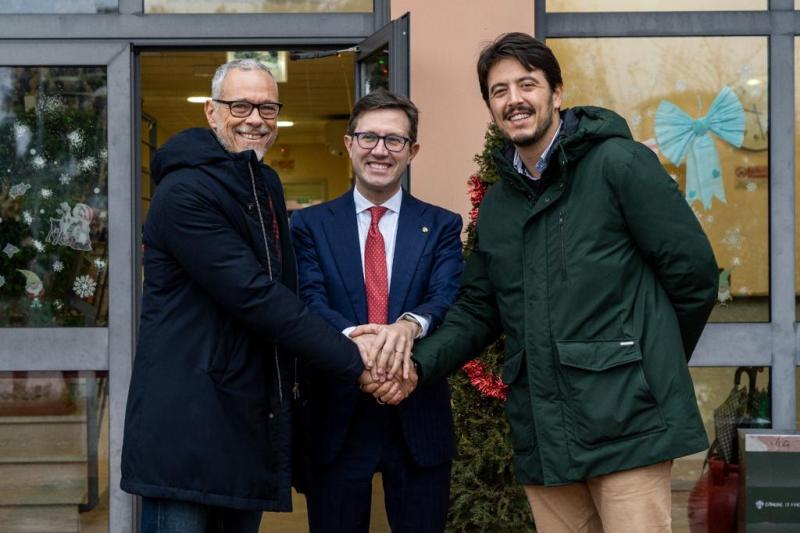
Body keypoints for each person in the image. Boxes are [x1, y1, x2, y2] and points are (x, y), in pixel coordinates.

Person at [405, 33, 719, 532]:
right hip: (545, 434)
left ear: (557, 92)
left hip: (629, 426)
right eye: (499, 91)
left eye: (526, 84)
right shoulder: (499, 204)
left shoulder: (619, 164)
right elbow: (479, 308)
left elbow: (694, 275)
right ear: (490, 106)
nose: (514, 99)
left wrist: (643, 366)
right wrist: (415, 364)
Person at [119, 59, 394, 533]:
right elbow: (256, 296)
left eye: (268, 108)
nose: (255, 119)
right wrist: (354, 359)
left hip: (245, 421)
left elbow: (287, 288)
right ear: (211, 112)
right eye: (240, 106)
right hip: (185, 426)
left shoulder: (263, 183)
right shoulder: (184, 192)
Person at [290, 90, 463, 533]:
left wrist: (407, 327)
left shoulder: (442, 225)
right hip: (337, 414)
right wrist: (362, 347)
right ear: (349, 144)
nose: (380, 150)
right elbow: (310, 300)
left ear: (412, 151)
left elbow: (444, 297)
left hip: (417, 415)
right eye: (369, 137)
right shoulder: (308, 226)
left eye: (394, 140)